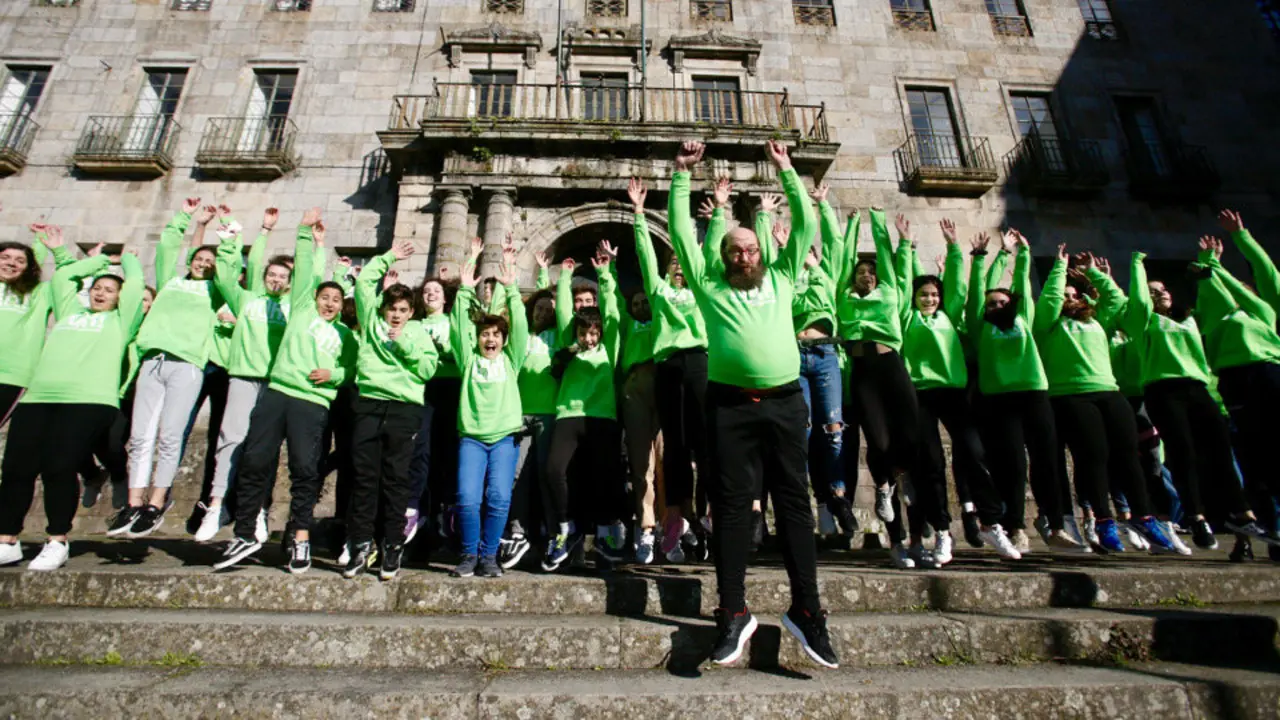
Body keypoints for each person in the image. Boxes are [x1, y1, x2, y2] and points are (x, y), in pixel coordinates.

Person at [669, 139, 837, 669]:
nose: (744, 255)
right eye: (735, 250)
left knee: (793, 504)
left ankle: (807, 611)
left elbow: (805, 226)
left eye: (751, 249)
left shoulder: (783, 276)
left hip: (787, 403)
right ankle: (733, 611)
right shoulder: (709, 284)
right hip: (730, 408)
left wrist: (788, 171)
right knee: (733, 509)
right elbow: (678, 230)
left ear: (762, 252)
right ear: (724, 257)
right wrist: (680, 175)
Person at [214, 209, 358, 572]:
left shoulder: (344, 336)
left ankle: (300, 538)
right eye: (324, 297)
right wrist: (305, 232)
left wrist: (336, 373)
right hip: (278, 392)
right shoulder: (300, 311)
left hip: (312, 403)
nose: (329, 302)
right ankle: (245, 532)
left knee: (305, 470)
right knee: (255, 459)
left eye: (336, 300)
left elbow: (351, 369)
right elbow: (306, 268)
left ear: (342, 307)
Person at [0, 234, 145, 570]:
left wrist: (126, 260)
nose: (100, 292)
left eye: (109, 290)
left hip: (90, 400)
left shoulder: (121, 322)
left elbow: (135, 283)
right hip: (38, 396)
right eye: (97, 288)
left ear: (120, 299)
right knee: (16, 469)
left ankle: (57, 539)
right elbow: (65, 277)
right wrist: (97, 263)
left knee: (59, 466)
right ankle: (7, 539)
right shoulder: (69, 310)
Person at [1034, 246, 1180, 554]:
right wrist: (1059, 271)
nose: (1068, 299)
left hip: (1109, 391)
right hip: (1071, 396)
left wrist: (1094, 274)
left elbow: (1117, 301)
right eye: (1065, 295)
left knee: (1129, 455)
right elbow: (1048, 301)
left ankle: (1144, 516)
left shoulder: (1099, 320)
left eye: (1074, 295)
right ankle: (1103, 519)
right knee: (1094, 457)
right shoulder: (1047, 325)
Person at [895, 218, 1020, 562]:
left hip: (952, 393)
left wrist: (953, 247)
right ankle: (943, 532)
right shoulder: (907, 317)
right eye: (924, 295)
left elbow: (960, 289)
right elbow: (905, 281)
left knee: (975, 453)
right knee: (930, 464)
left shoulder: (948, 314)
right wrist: (905, 244)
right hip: (919, 394)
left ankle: (991, 523)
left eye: (934, 294)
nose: (930, 299)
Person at [1125, 249, 1261, 550]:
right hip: (1164, 391)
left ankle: (1242, 514)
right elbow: (1137, 298)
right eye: (1152, 292)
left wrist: (1211, 267)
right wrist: (1137, 265)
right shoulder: (1145, 324)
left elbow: (1225, 305)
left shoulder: (1192, 321)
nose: (1158, 294)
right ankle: (1197, 518)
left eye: (1161, 290)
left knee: (1221, 453)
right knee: (1183, 453)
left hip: (1198, 389)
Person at [112, 198, 223, 538]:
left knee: (170, 436)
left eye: (209, 261)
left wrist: (222, 240)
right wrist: (192, 220)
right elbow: (169, 248)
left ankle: (156, 502)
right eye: (199, 258)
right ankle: (132, 503)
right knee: (141, 435)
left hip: (187, 364)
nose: (203, 263)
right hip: (155, 359)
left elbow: (223, 269)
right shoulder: (170, 282)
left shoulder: (214, 291)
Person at [965, 231, 1081, 553]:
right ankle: (1015, 526)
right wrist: (983, 258)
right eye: (993, 303)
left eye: (1003, 301)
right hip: (999, 401)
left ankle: (1054, 524)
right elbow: (976, 294)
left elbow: (1023, 289)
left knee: (1047, 460)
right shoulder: (980, 326)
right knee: (1012, 465)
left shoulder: (1023, 318)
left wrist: (1024, 255)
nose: (998, 304)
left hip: (1034, 394)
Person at [828, 206, 921, 567]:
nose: (866, 274)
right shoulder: (845, 294)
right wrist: (851, 224)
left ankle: (900, 480)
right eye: (860, 271)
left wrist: (881, 224)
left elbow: (888, 258)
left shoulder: (892, 291)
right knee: (878, 441)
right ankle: (884, 489)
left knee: (909, 437)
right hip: (863, 370)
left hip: (892, 366)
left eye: (872, 272)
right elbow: (843, 259)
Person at [340, 239, 438, 579]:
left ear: (411, 312)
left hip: (404, 410)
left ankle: (393, 545)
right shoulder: (371, 323)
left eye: (402, 310)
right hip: (369, 403)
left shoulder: (418, 333)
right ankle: (360, 545)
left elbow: (427, 370)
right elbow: (366, 282)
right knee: (364, 479)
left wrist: (405, 344)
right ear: (383, 308)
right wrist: (389, 257)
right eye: (391, 308)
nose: (395, 315)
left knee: (397, 480)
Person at [193, 208, 290, 542]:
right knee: (230, 440)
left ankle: (258, 511)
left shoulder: (293, 308)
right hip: (243, 378)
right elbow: (224, 275)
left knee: (264, 450)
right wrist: (239, 239)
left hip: (275, 384)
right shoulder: (245, 299)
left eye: (282, 276)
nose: (276, 279)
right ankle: (216, 505)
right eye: (272, 275)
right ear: (263, 277)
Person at [1191, 227, 1280, 546]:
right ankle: (1271, 530)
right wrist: (1206, 269)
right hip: (1234, 382)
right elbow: (1209, 295)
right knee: (1253, 459)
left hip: (1268, 373)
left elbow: (1265, 270)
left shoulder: (1262, 312)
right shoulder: (1215, 321)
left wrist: (1223, 259)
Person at [541, 247, 627, 571]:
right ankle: (563, 530)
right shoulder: (569, 342)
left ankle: (606, 535)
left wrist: (605, 276)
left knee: (603, 477)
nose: (590, 338)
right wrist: (564, 277)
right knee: (554, 470)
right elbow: (565, 311)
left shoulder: (610, 345)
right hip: (569, 415)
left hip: (602, 416)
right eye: (584, 332)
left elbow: (614, 313)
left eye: (594, 333)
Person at [450, 245, 527, 577]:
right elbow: (457, 327)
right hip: (472, 439)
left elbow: (520, 326)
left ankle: (488, 556)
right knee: (467, 499)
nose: (490, 339)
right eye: (485, 334)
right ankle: (468, 555)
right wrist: (465, 289)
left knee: (498, 499)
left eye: (496, 334)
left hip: (505, 439)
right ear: (478, 338)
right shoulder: (468, 360)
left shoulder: (512, 360)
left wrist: (511, 288)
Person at [498, 255, 554, 570]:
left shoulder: (561, 336)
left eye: (549, 309)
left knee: (547, 472)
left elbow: (557, 304)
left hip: (550, 415)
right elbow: (517, 314)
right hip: (518, 413)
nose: (543, 312)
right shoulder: (522, 339)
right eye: (538, 308)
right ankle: (517, 530)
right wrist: (508, 288)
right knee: (516, 475)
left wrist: (546, 273)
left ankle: (545, 529)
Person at [0, 224, 75, 428]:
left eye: (20, 261)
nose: (11, 264)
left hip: (11, 375)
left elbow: (68, 278)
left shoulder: (39, 294)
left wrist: (58, 250)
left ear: (28, 268)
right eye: (5, 257)